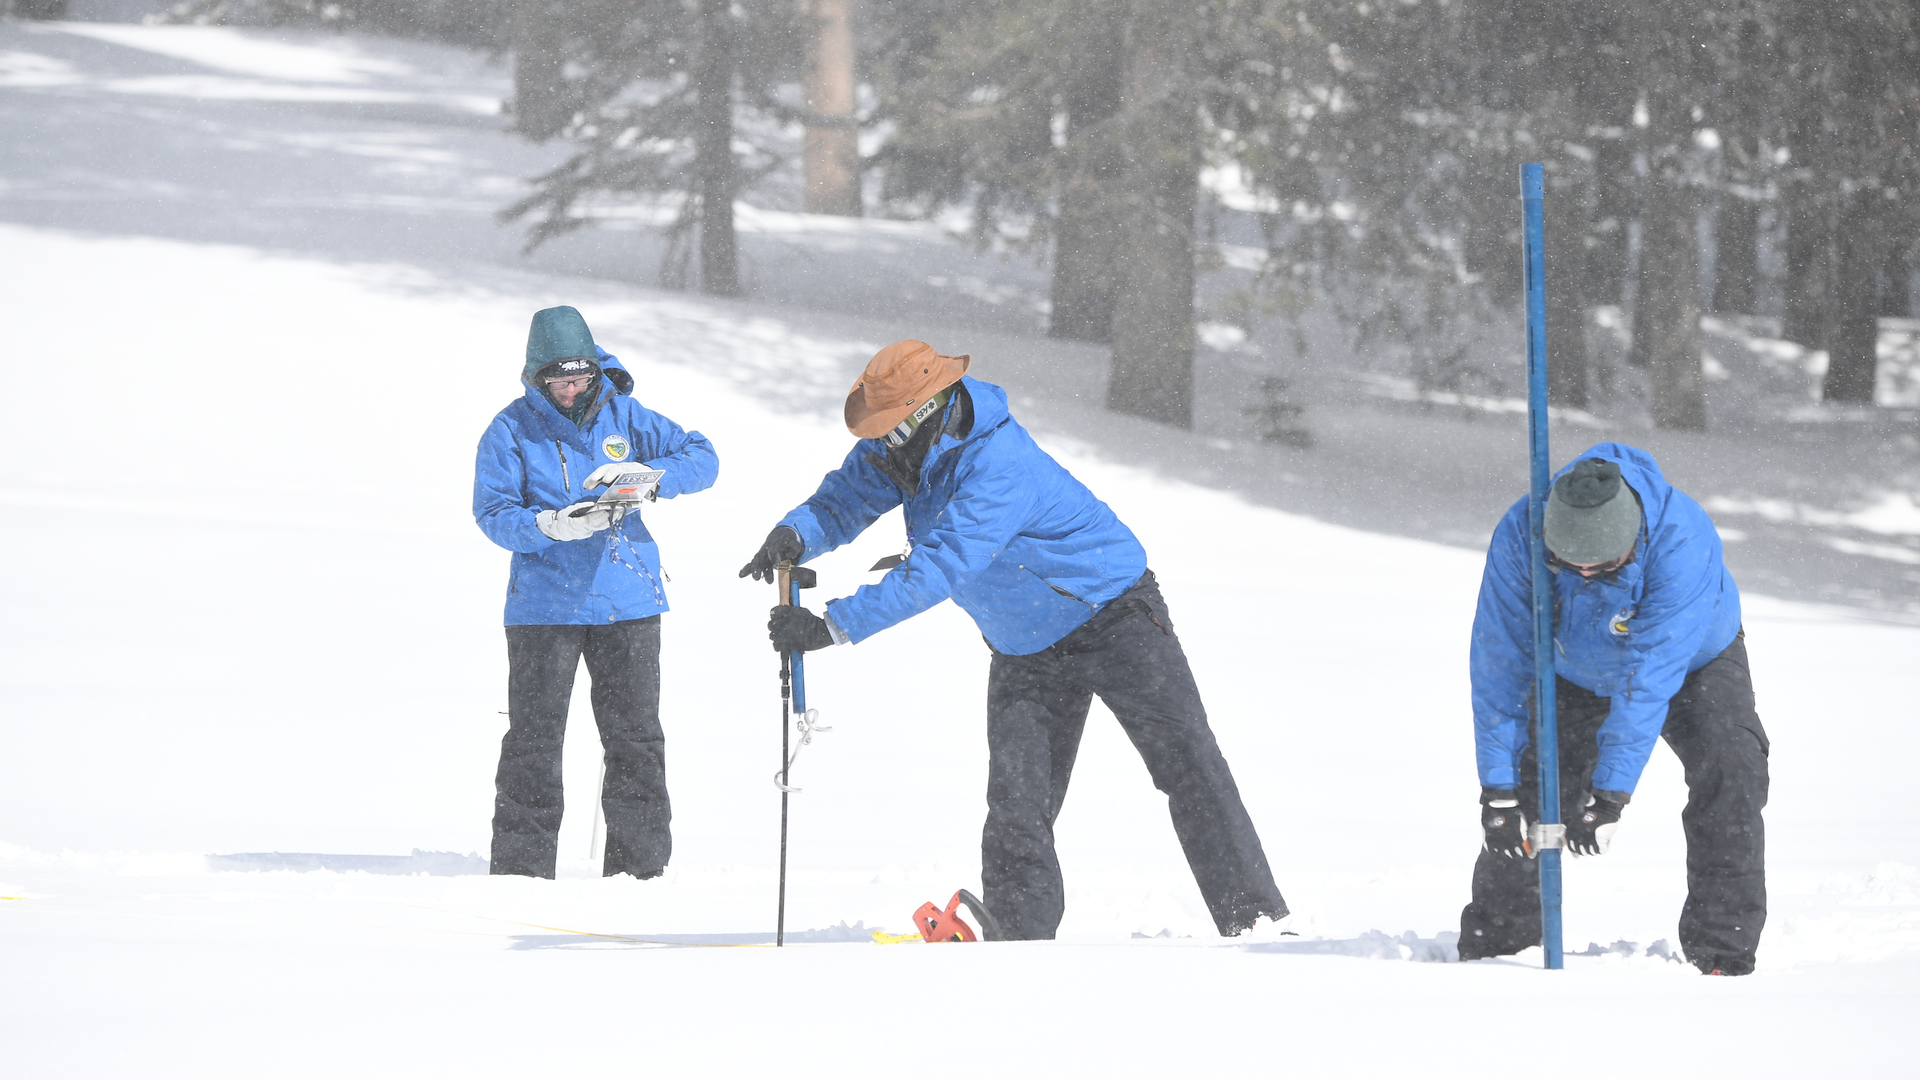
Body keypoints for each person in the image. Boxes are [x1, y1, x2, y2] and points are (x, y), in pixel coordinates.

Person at [739, 339, 1287, 940]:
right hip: (1025, 645)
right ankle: (1019, 939)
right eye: (875, 432)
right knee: (1017, 804)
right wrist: (794, 534)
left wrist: (833, 626)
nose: (879, 444)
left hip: (1116, 618)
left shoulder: (997, 462)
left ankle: (1255, 922)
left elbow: (942, 565)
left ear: (928, 410)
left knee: (1188, 767)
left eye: (888, 430)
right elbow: (845, 498)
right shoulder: (899, 449)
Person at [1461, 443, 1767, 975]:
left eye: (1600, 568)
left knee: (1733, 765)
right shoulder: (1521, 532)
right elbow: (1500, 664)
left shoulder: (1681, 540)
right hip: (1572, 667)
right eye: (1565, 564)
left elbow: (1648, 681)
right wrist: (1498, 791)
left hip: (1692, 660)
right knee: (1534, 793)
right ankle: (1498, 946)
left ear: (1632, 544)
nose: (1581, 576)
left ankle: (1722, 949)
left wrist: (1609, 797)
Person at [473, 306, 718, 879]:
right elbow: (492, 511)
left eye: (581, 378)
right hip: (542, 608)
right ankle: (520, 873)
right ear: (536, 376)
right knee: (533, 740)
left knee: (635, 739)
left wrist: (650, 481)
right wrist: (548, 527)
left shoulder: (625, 415)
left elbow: (703, 457)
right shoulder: (509, 429)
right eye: (559, 380)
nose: (571, 389)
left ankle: (639, 874)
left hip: (626, 601)